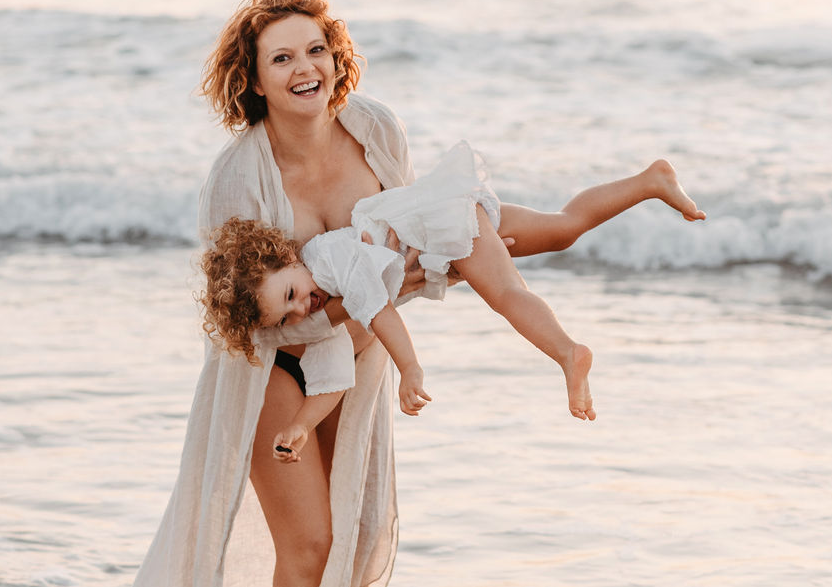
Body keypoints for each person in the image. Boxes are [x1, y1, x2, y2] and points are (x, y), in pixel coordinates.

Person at [133, 0, 703, 587]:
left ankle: (644, 189)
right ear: (252, 78)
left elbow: (402, 243)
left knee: (353, 543)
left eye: (316, 49)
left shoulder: (375, 127)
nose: (305, 68)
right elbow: (242, 313)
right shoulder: (236, 177)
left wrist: (449, 266)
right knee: (309, 549)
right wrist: (362, 304)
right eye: (281, 58)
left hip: (355, 364)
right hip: (274, 369)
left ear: (335, 56)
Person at [199, 137, 705, 458]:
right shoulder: (321, 285)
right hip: (447, 210)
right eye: (286, 315)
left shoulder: (328, 261)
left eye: (290, 293)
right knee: (562, 229)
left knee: (507, 294)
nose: (300, 308)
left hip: (443, 226)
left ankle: (568, 353)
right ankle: (650, 181)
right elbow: (331, 374)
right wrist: (302, 426)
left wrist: (410, 369)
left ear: (287, 256)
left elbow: (380, 314)